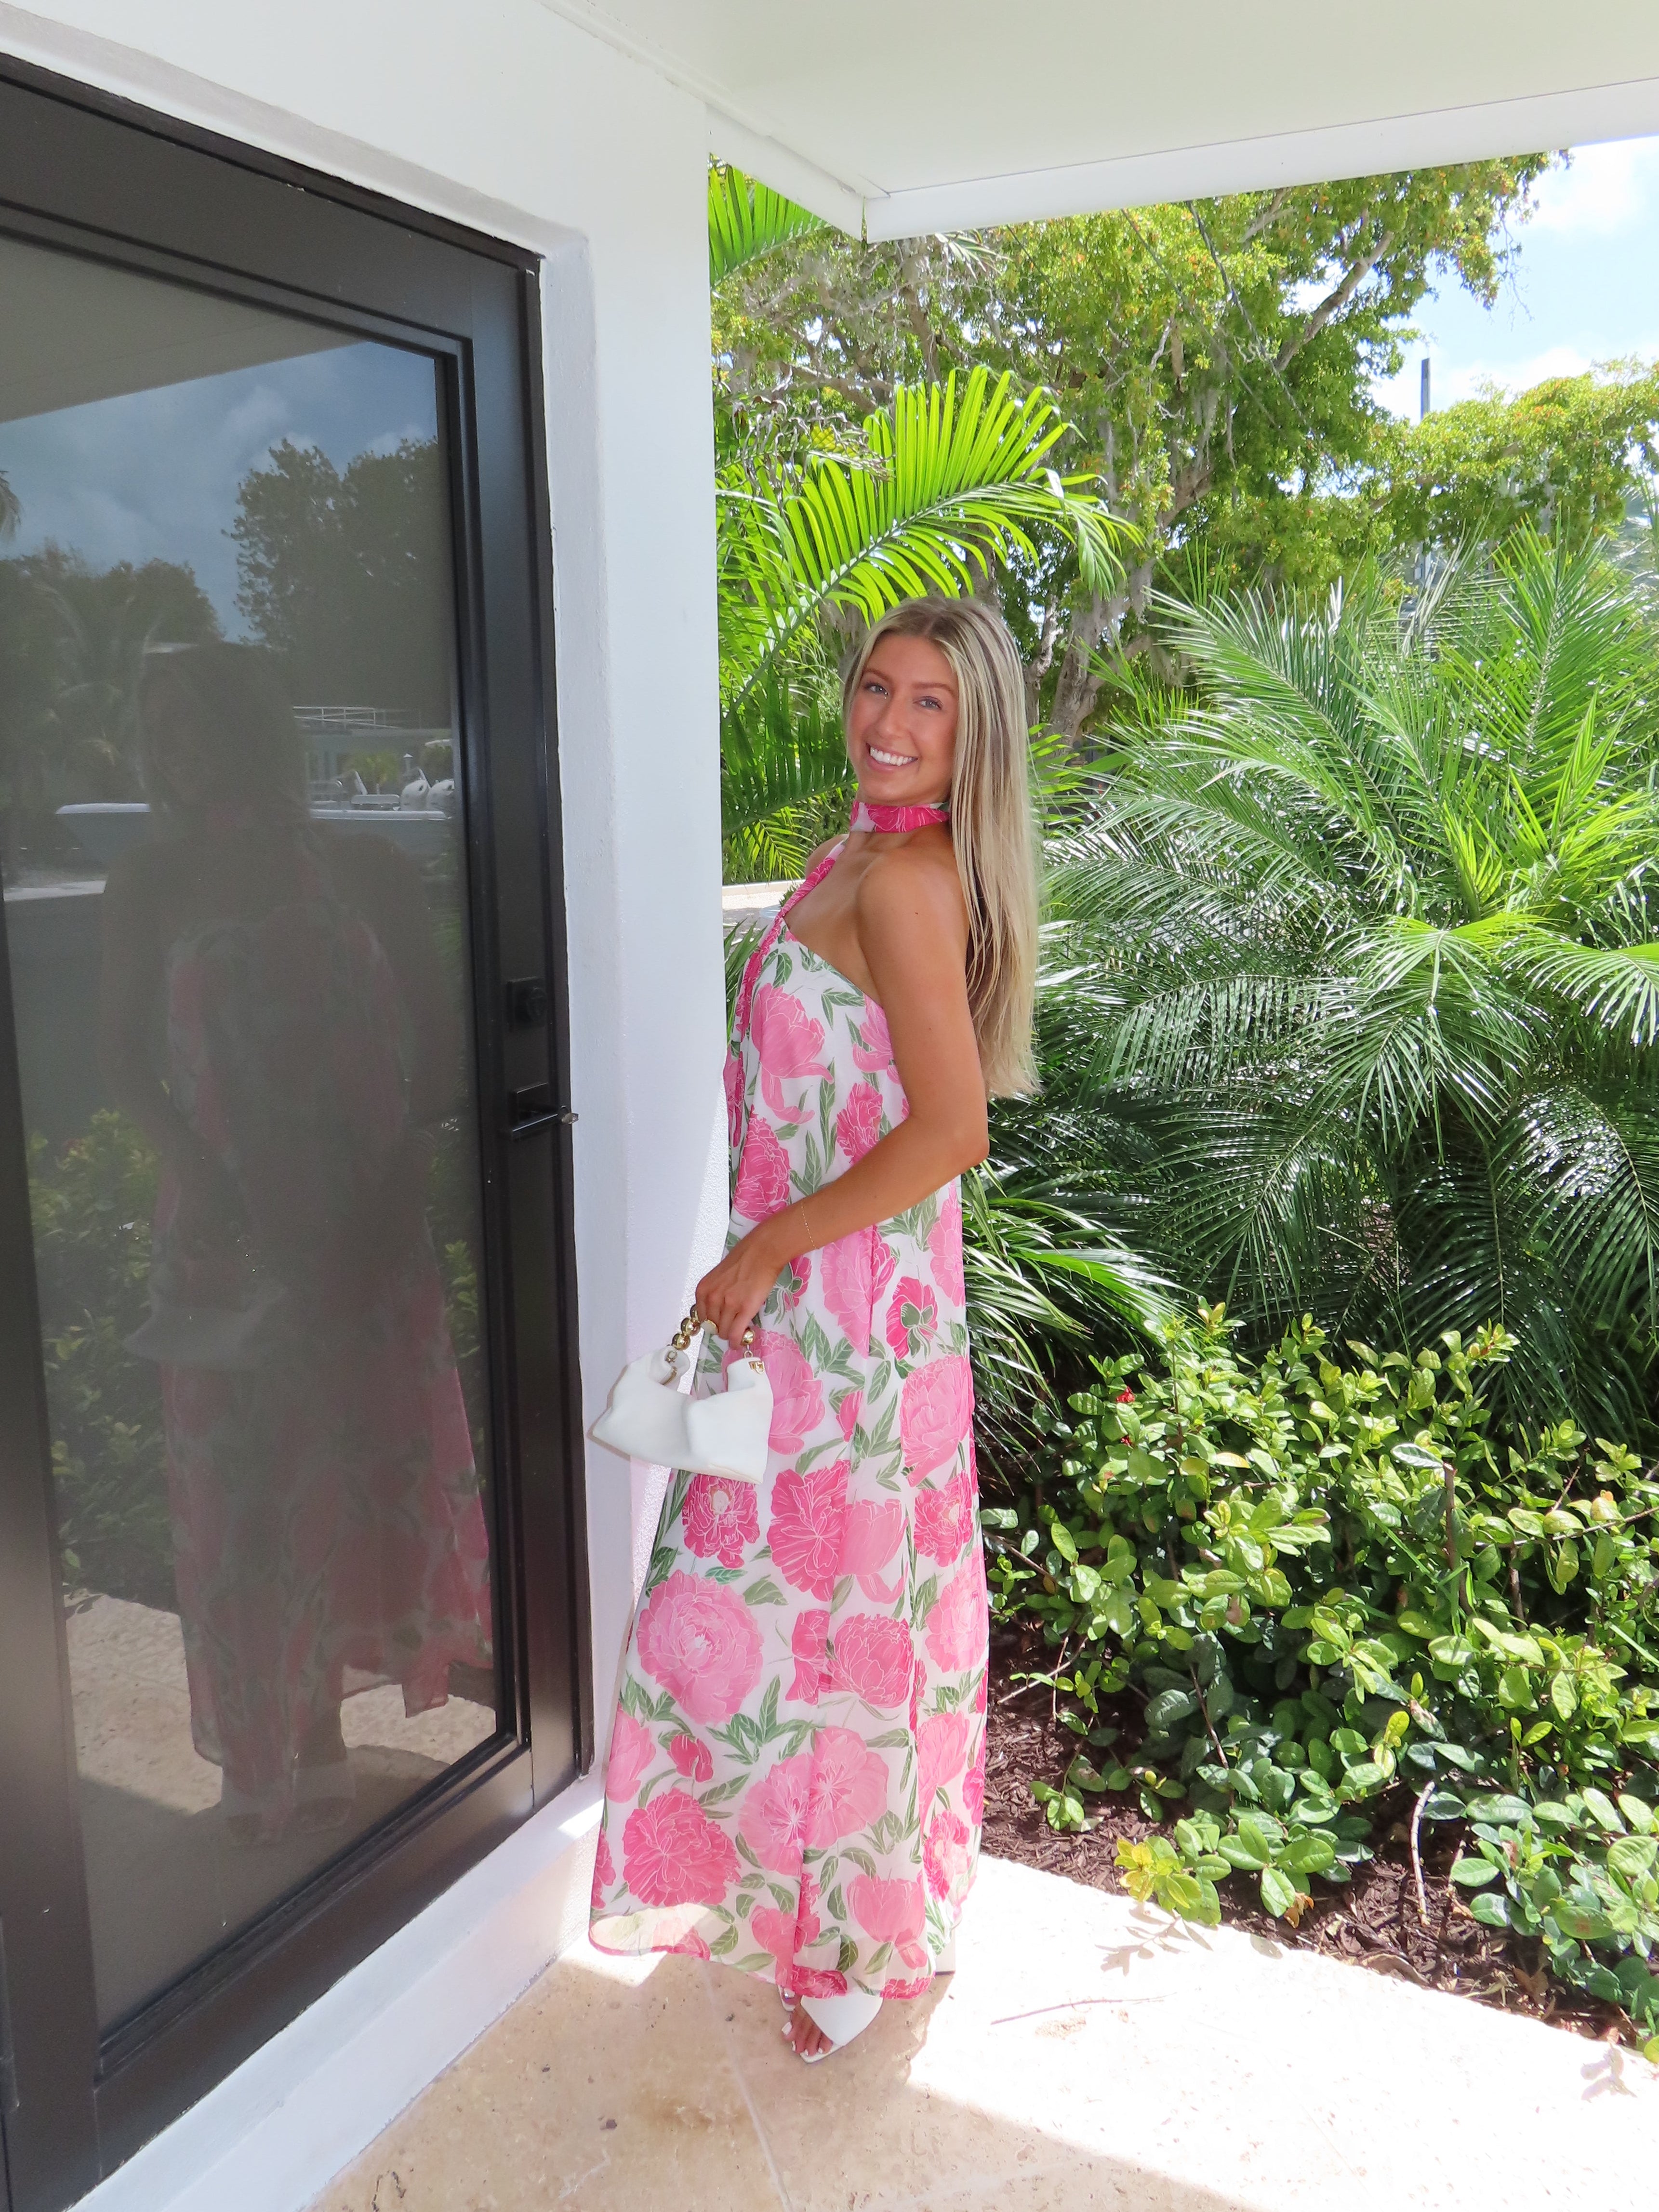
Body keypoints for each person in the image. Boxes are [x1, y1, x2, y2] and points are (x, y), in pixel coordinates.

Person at [590, 596, 1038, 2061]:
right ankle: (802, 1895)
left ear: (972, 740)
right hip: (816, 1301)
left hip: (846, 1312)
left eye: (930, 707)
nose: (889, 725)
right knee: (782, 1599)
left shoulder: (908, 885)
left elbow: (956, 1129)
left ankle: (852, 1940)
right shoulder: (859, 854)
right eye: (875, 689)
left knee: (831, 1605)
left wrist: (773, 1241)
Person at [100, 642, 492, 1845]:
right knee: (241, 1497)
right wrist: (206, 1177)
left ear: (256, 729)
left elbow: (436, 1052)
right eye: (158, 730)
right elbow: (122, 1061)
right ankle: (257, 1760)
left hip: (365, 1236)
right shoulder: (151, 885)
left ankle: (321, 1739)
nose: (179, 749)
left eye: (200, 721)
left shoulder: (362, 864)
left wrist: (387, 1195)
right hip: (228, 1238)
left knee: (352, 1474)